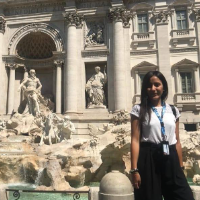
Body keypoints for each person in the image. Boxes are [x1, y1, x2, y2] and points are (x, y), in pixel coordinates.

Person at [130, 71, 194, 200]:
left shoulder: (173, 110)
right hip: (148, 157)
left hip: (171, 156)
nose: (153, 89)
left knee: (184, 196)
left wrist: (180, 166)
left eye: (157, 85)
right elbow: (135, 140)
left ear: (163, 86)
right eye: (149, 85)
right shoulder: (139, 109)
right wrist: (134, 170)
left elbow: (177, 141)